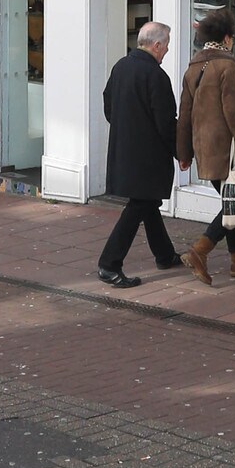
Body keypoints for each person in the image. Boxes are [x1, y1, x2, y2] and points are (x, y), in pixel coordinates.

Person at [176, 10, 235, 285]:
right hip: (227, 147)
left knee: (229, 199)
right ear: (226, 38)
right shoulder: (227, 67)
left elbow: (184, 114)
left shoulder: (192, 68)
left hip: (203, 148)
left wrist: (184, 153)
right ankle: (201, 249)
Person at [98, 20, 179, 288]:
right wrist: (180, 152)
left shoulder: (121, 67)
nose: (166, 51)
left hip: (125, 149)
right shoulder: (156, 76)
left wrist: (126, 128)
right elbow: (166, 122)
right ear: (156, 45)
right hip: (149, 155)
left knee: (147, 203)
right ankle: (109, 264)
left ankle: (164, 255)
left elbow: (108, 104)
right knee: (139, 206)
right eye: (165, 46)